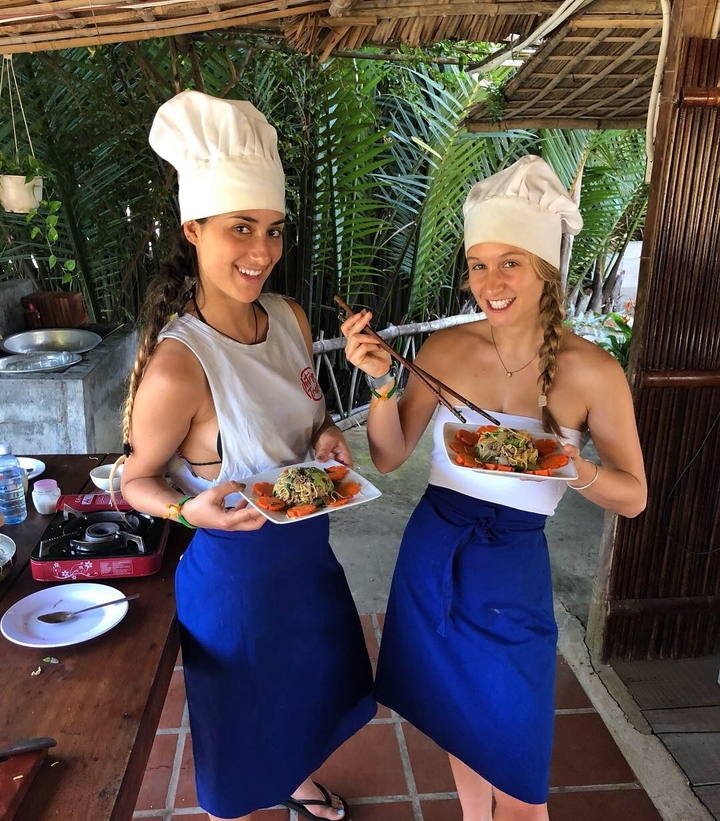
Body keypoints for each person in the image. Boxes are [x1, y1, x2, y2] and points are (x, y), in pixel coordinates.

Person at [340, 154, 647, 821]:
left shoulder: (594, 372)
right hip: (434, 553)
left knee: (522, 779)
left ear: (545, 268)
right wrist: (380, 383)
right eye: (479, 264)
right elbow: (389, 456)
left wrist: (574, 467)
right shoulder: (447, 351)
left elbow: (633, 495)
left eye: (510, 262)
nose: (491, 282)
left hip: (512, 570)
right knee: (457, 721)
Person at [120, 90, 375, 821]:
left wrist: (327, 435)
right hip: (237, 584)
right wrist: (181, 508)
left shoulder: (290, 317)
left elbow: (312, 415)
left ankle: (296, 778)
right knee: (243, 732)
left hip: (308, 562)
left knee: (310, 695)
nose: (262, 250)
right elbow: (129, 477)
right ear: (193, 229)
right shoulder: (179, 364)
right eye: (240, 228)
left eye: (271, 228)